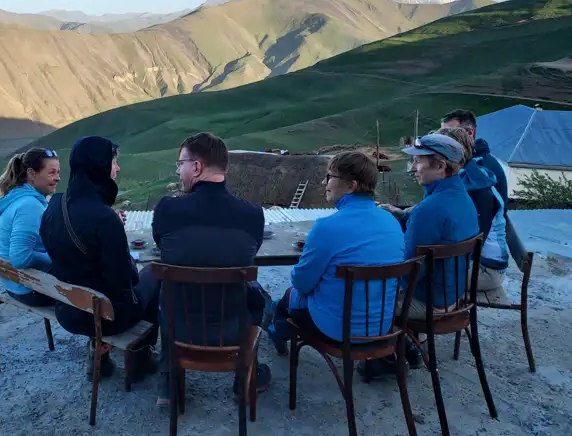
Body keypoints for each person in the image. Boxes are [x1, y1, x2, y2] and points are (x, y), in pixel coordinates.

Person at [151, 132, 272, 406]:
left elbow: (162, 246)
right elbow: (249, 255)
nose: (178, 170)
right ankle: (245, 375)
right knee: (259, 293)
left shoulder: (167, 209)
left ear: (197, 167)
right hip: (233, 329)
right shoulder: (253, 214)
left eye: (181, 163)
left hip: (179, 327)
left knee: (168, 289)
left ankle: (169, 380)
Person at [41, 136, 160, 381]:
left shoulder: (55, 204)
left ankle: (101, 356)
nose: (117, 168)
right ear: (99, 166)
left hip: (68, 309)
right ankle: (141, 357)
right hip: (105, 317)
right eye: (113, 162)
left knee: (97, 285)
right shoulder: (104, 218)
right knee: (154, 274)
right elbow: (124, 281)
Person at [363, 134, 480, 381]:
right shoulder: (462, 198)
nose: (413, 168)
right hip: (454, 294)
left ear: (440, 165)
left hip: (430, 302)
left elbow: (408, 270)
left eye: (418, 162)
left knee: (361, 295)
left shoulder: (430, 209)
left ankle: (387, 358)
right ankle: (406, 346)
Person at [266, 151, 405, 353]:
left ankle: (278, 332)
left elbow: (301, 283)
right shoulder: (391, 222)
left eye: (330, 177)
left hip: (337, 329)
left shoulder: (326, 227)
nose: (324, 182)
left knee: (288, 298)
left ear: (352, 185)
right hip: (381, 326)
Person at [437, 127, 508, 293]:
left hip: (486, 269)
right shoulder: (470, 176)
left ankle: (437, 315)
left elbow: (474, 242)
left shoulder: (478, 190)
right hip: (477, 262)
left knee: (419, 275)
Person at [0, 148, 60, 307]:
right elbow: (20, 258)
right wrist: (55, 259)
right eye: (51, 173)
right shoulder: (29, 206)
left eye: (58, 172)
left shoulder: (18, 198)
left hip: (14, 283)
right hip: (29, 290)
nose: (57, 178)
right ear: (31, 174)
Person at [441, 109, 508, 210]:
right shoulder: (462, 160)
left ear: (469, 132)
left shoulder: (481, 167)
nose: (442, 138)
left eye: (449, 132)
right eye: (442, 133)